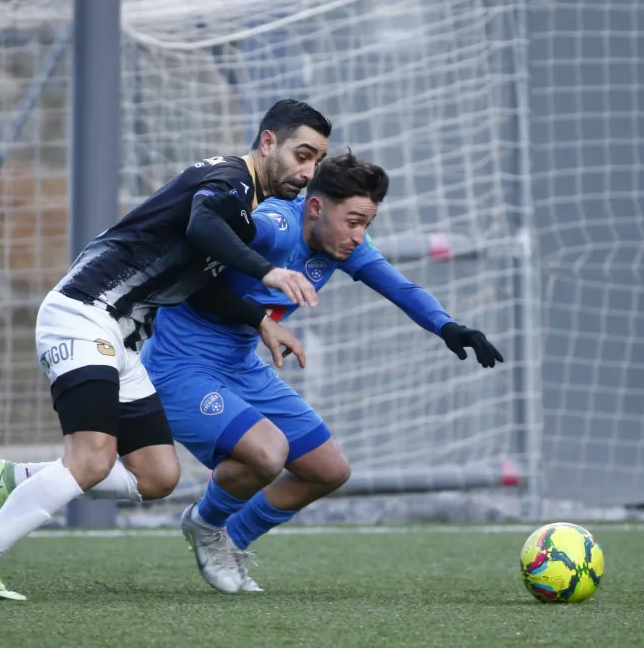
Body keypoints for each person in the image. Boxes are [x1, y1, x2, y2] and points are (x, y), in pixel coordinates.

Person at [0, 99, 332, 600]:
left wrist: (259, 321)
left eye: (316, 161)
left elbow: (197, 281)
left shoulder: (242, 203)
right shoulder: (231, 183)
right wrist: (267, 270)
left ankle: (12, 479)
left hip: (119, 338)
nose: (308, 171)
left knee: (157, 475)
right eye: (302, 155)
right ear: (268, 141)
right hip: (83, 314)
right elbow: (202, 223)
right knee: (92, 458)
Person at [142, 150, 502, 593]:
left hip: (240, 366)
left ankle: (232, 540)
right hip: (180, 367)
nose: (359, 236)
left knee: (327, 469)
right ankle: (205, 524)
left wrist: (449, 327)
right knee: (264, 454)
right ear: (315, 207)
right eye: (352, 221)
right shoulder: (274, 225)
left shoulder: (342, 247)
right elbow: (196, 275)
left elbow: (401, 287)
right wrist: (261, 319)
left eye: (367, 224)